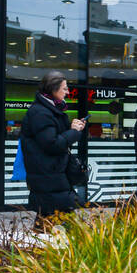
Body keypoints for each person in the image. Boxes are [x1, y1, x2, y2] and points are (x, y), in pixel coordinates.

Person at [19, 71, 85, 229]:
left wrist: (71, 129)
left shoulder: (49, 109)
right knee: (58, 220)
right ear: (53, 89)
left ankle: (39, 249)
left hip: (51, 174)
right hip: (48, 174)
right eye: (64, 88)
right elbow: (51, 144)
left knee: (50, 221)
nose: (67, 92)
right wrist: (73, 132)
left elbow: (54, 139)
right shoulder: (41, 112)